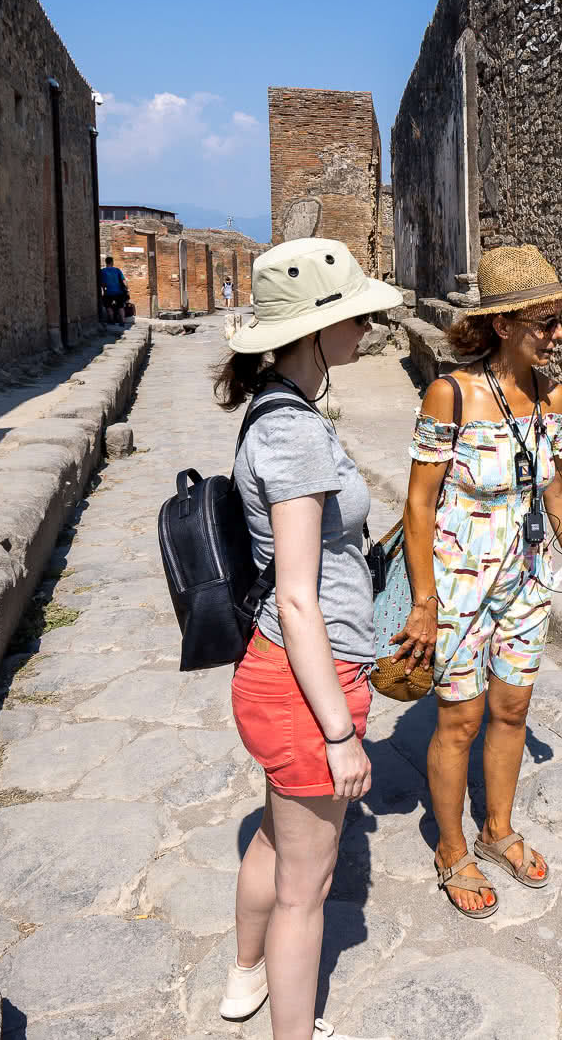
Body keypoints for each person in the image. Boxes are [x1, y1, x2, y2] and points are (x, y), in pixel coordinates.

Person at [213, 237, 400, 1040]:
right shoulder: (292, 432)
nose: (366, 328)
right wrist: (339, 732)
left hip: (280, 676)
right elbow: (296, 596)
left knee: (274, 836)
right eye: (353, 315)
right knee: (306, 886)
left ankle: (244, 976)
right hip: (302, 687)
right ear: (313, 329)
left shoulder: (283, 410)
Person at [392, 244, 562, 918]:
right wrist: (423, 602)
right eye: (547, 323)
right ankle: (451, 847)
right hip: (457, 589)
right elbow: (418, 504)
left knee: (512, 710)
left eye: (561, 320)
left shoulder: (554, 397)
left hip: (525, 586)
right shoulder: (450, 394)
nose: (559, 335)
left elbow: (558, 484)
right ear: (506, 325)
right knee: (460, 719)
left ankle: (498, 829)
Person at [97, 256, 129, 325]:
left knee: (108, 306)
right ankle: (122, 321)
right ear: (112, 262)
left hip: (108, 292)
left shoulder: (102, 271)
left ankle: (111, 321)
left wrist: (104, 290)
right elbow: (123, 281)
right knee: (120, 307)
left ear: (106, 262)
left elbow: (102, 283)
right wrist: (126, 289)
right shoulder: (117, 270)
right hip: (119, 292)